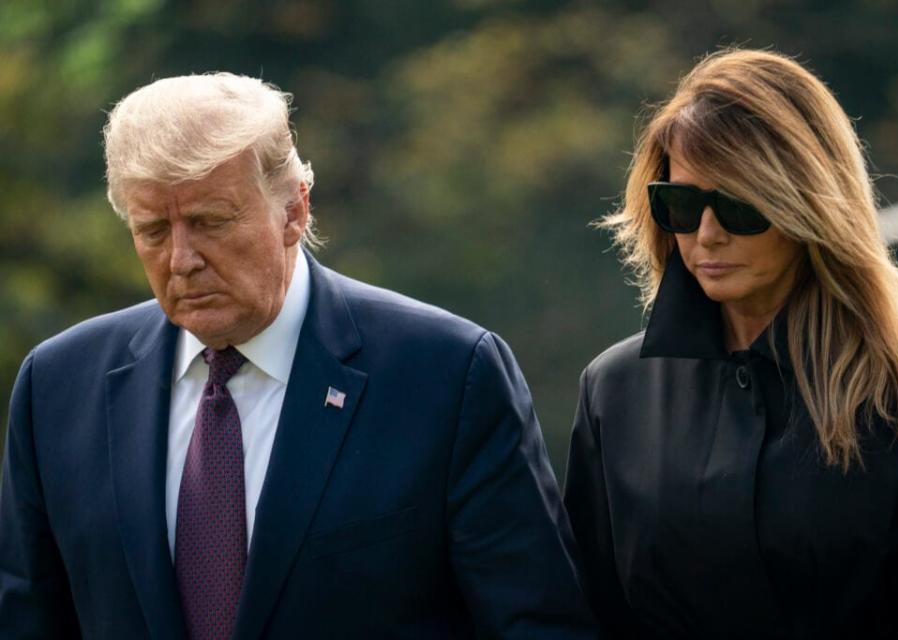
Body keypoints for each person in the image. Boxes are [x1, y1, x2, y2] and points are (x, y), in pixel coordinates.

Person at [0, 72, 596, 639]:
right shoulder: (58, 387)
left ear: (294, 210)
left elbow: (536, 624)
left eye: (210, 222)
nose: (181, 259)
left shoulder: (447, 375)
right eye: (153, 230)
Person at [563, 49, 898, 638]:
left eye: (739, 206)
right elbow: (585, 616)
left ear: (808, 206)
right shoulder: (615, 391)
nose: (707, 234)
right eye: (682, 203)